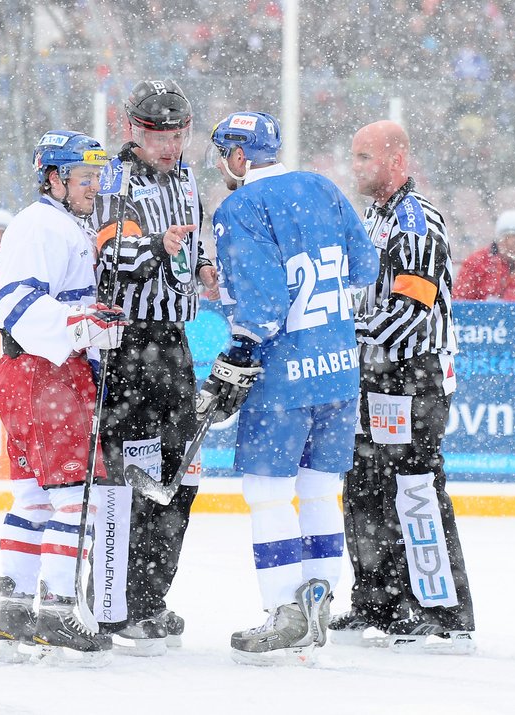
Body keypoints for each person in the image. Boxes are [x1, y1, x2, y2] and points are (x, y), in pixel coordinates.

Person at [203, 112, 379, 664]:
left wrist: (238, 352)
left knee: (268, 492)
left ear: (238, 156)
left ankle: (284, 609)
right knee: (321, 490)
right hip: (338, 368)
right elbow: (366, 266)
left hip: (283, 377)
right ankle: (319, 601)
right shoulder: (323, 187)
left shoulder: (238, 207)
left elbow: (263, 305)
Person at [86, 78, 218, 655]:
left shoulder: (187, 176)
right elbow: (115, 258)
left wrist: (202, 263)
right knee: (127, 480)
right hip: (128, 342)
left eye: (176, 133)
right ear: (130, 130)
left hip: (174, 343)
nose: (168, 145)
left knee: (177, 477)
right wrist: (159, 250)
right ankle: (115, 606)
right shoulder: (115, 182)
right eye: (155, 133)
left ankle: (150, 598)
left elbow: (189, 243)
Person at [333, 120, 476, 653]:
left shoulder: (416, 222)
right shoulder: (377, 216)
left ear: (397, 159)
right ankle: (380, 602)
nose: (356, 168)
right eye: (355, 156)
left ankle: (440, 611)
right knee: (366, 487)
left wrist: (344, 332)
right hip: (376, 375)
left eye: (365, 157)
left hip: (412, 377)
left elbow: (408, 314)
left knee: (414, 489)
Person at [0, 130, 125, 664]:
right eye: (85, 178)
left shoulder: (56, 222)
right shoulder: (43, 224)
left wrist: (85, 325)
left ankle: (16, 607)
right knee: (74, 499)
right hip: (50, 379)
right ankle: (58, 608)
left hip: (27, 376)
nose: (94, 187)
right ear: (55, 178)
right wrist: (85, 326)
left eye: (96, 177)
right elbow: (19, 304)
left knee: (34, 500)